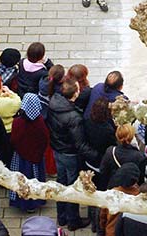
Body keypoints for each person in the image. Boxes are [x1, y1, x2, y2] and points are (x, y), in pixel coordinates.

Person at [47, 79, 98, 230]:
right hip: (70, 154)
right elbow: (80, 144)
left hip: (57, 150)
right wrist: (97, 155)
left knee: (61, 184)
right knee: (73, 188)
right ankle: (73, 220)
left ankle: (61, 217)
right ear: (75, 93)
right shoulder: (74, 117)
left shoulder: (54, 102)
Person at [9, 93, 48, 212]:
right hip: (36, 158)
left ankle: (22, 203)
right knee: (35, 179)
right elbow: (45, 138)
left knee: (21, 180)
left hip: (20, 157)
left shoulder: (17, 122)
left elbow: (13, 140)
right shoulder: (40, 122)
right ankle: (35, 203)